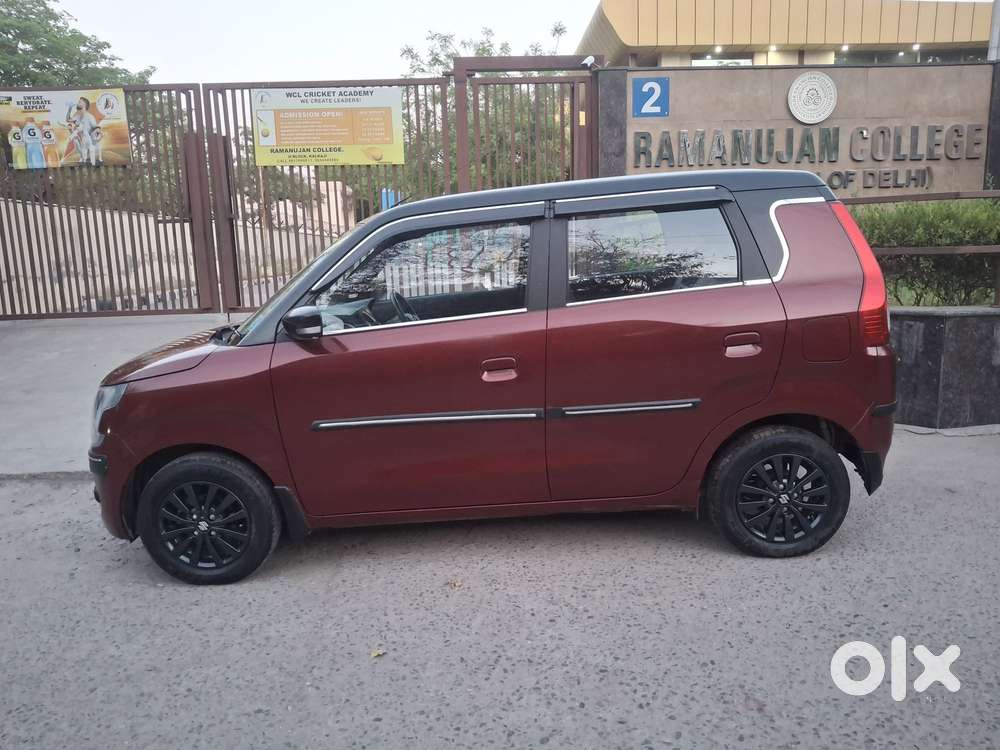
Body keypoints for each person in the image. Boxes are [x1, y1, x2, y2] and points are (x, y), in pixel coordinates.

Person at [66, 96, 98, 166]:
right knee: (82, 151)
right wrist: (69, 108)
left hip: (88, 139)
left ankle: (92, 163)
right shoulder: (77, 116)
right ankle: (84, 160)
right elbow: (68, 120)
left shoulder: (90, 117)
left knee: (90, 150)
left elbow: (96, 128)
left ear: (85, 105)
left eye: (80, 102)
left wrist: (94, 139)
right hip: (82, 138)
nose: (77, 103)